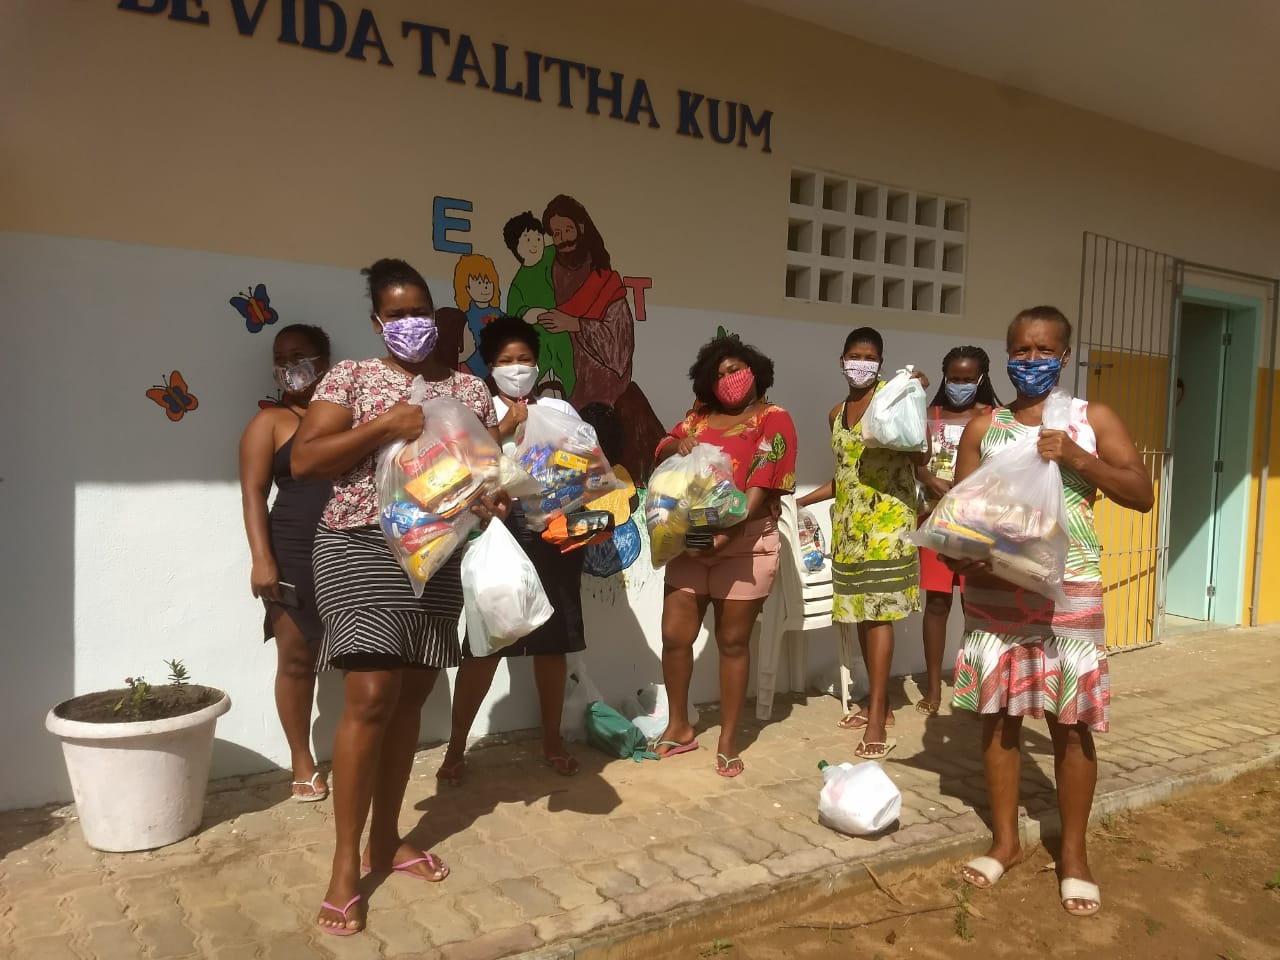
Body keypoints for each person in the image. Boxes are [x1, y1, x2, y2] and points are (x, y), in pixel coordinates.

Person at [290, 258, 507, 937]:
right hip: (358, 545)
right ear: (377, 321)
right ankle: (344, 868)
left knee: (410, 697)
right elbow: (305, 459)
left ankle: (385, 840)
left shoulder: (469, 389)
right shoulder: (352, 378)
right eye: (397, 314)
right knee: (370, 695)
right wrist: (384, 427)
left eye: (420, 311)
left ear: (435, 315)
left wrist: (494, 498)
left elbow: (482, 471)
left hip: (435, 555)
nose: (411, 323)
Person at [948, 306, 1153, 918]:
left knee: (1071, 720)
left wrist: (1077, 458)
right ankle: (1006, 843)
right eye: (1021, 349)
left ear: (1065, 356)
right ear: (1006, 353)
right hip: (996, 591)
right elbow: (960, 516)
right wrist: (963, 554)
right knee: (999, 716)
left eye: (1044, 350)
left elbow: (1141, 493)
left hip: (1070, 591)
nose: (1031, 360)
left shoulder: (1093, 419)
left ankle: (1074, 856)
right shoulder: (983, 427)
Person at [440, 315, 586, 783]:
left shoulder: (558, 410)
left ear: (537, 363)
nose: (517, 368)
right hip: (498, 532)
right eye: (506, 360)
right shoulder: (475, 411)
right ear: (490, 365)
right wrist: (505, 426)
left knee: (553, 644)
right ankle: (455, 749)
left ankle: (552, 741)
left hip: (554, 530)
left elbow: (583, 463)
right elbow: (458, 464)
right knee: (485, 644)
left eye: (524, 359)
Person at [650, 337, 797, 777]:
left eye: (736, 370)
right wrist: (673, 447)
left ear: (754, 371)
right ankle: (679, 726)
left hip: (745, 544)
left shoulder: (774, 418)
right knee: (675, 635)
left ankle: (729, 738)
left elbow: (764, 480)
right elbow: (664, 446)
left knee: (732, 642)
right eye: (718, 374)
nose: (728, 379)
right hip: (690, 540)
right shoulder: (697, 417)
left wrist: (728, 533)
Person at [798, 327, 924, 760]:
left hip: (888, 526)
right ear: (842, 361)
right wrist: (801, 501)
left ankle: (876, 722)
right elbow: (845, 477)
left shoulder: (893, 399)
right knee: (860, 618)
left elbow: (920, 454)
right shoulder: (836, 414)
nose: (861, 363)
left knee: (879, 617)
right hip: (850, 529)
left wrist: (914, 392)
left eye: (870, 357)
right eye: (854, 355)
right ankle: (880, 705)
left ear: (881, 363)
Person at [238, 324, 333, 802]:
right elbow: (253, 493)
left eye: (299, 355)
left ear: (324, 361)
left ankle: (362, 745)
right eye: (281, 357)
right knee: (296, 659)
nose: (289, 365)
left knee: (365, 656)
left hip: (351, 550)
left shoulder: (349, 418)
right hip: (291, 551)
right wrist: (262, 559)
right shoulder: (270, 422)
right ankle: (302, 760)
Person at [533, 194, 665, 478]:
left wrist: (576, 324)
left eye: (567, 230)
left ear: (581, 228)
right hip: (562, 398)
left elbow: (619, 349)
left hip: (608, 403)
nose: (563, 239)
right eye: (556, 233)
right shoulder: (545, 276)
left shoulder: (604, 282)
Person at [913, 346, 1001, 716]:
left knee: (975, 606)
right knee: (936, 604)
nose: (959, 385)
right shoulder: (930, 415)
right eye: (953, 378)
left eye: (967, 379)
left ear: (981, 379)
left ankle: (977, 684)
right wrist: (928, 478)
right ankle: (934, 687)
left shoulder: (994, 418)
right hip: (935, 522)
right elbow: (913, 459)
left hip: (977, 525)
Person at [502, 211, 575, 395]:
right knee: (544, 382)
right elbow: (514, 318)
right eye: (527, 240)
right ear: (516, 248)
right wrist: (528, 314)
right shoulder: (518, 284)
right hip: (538, 342)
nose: (534, 244)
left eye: (538, 238)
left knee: (566, 375)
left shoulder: (552, 256)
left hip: (561, 338)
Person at [453, 253, 503, 378]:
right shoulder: (464, 319)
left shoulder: (502, 317)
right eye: (479, 282)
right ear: (467, 288)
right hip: (470, 373)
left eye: (488, 282)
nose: (485, 286)